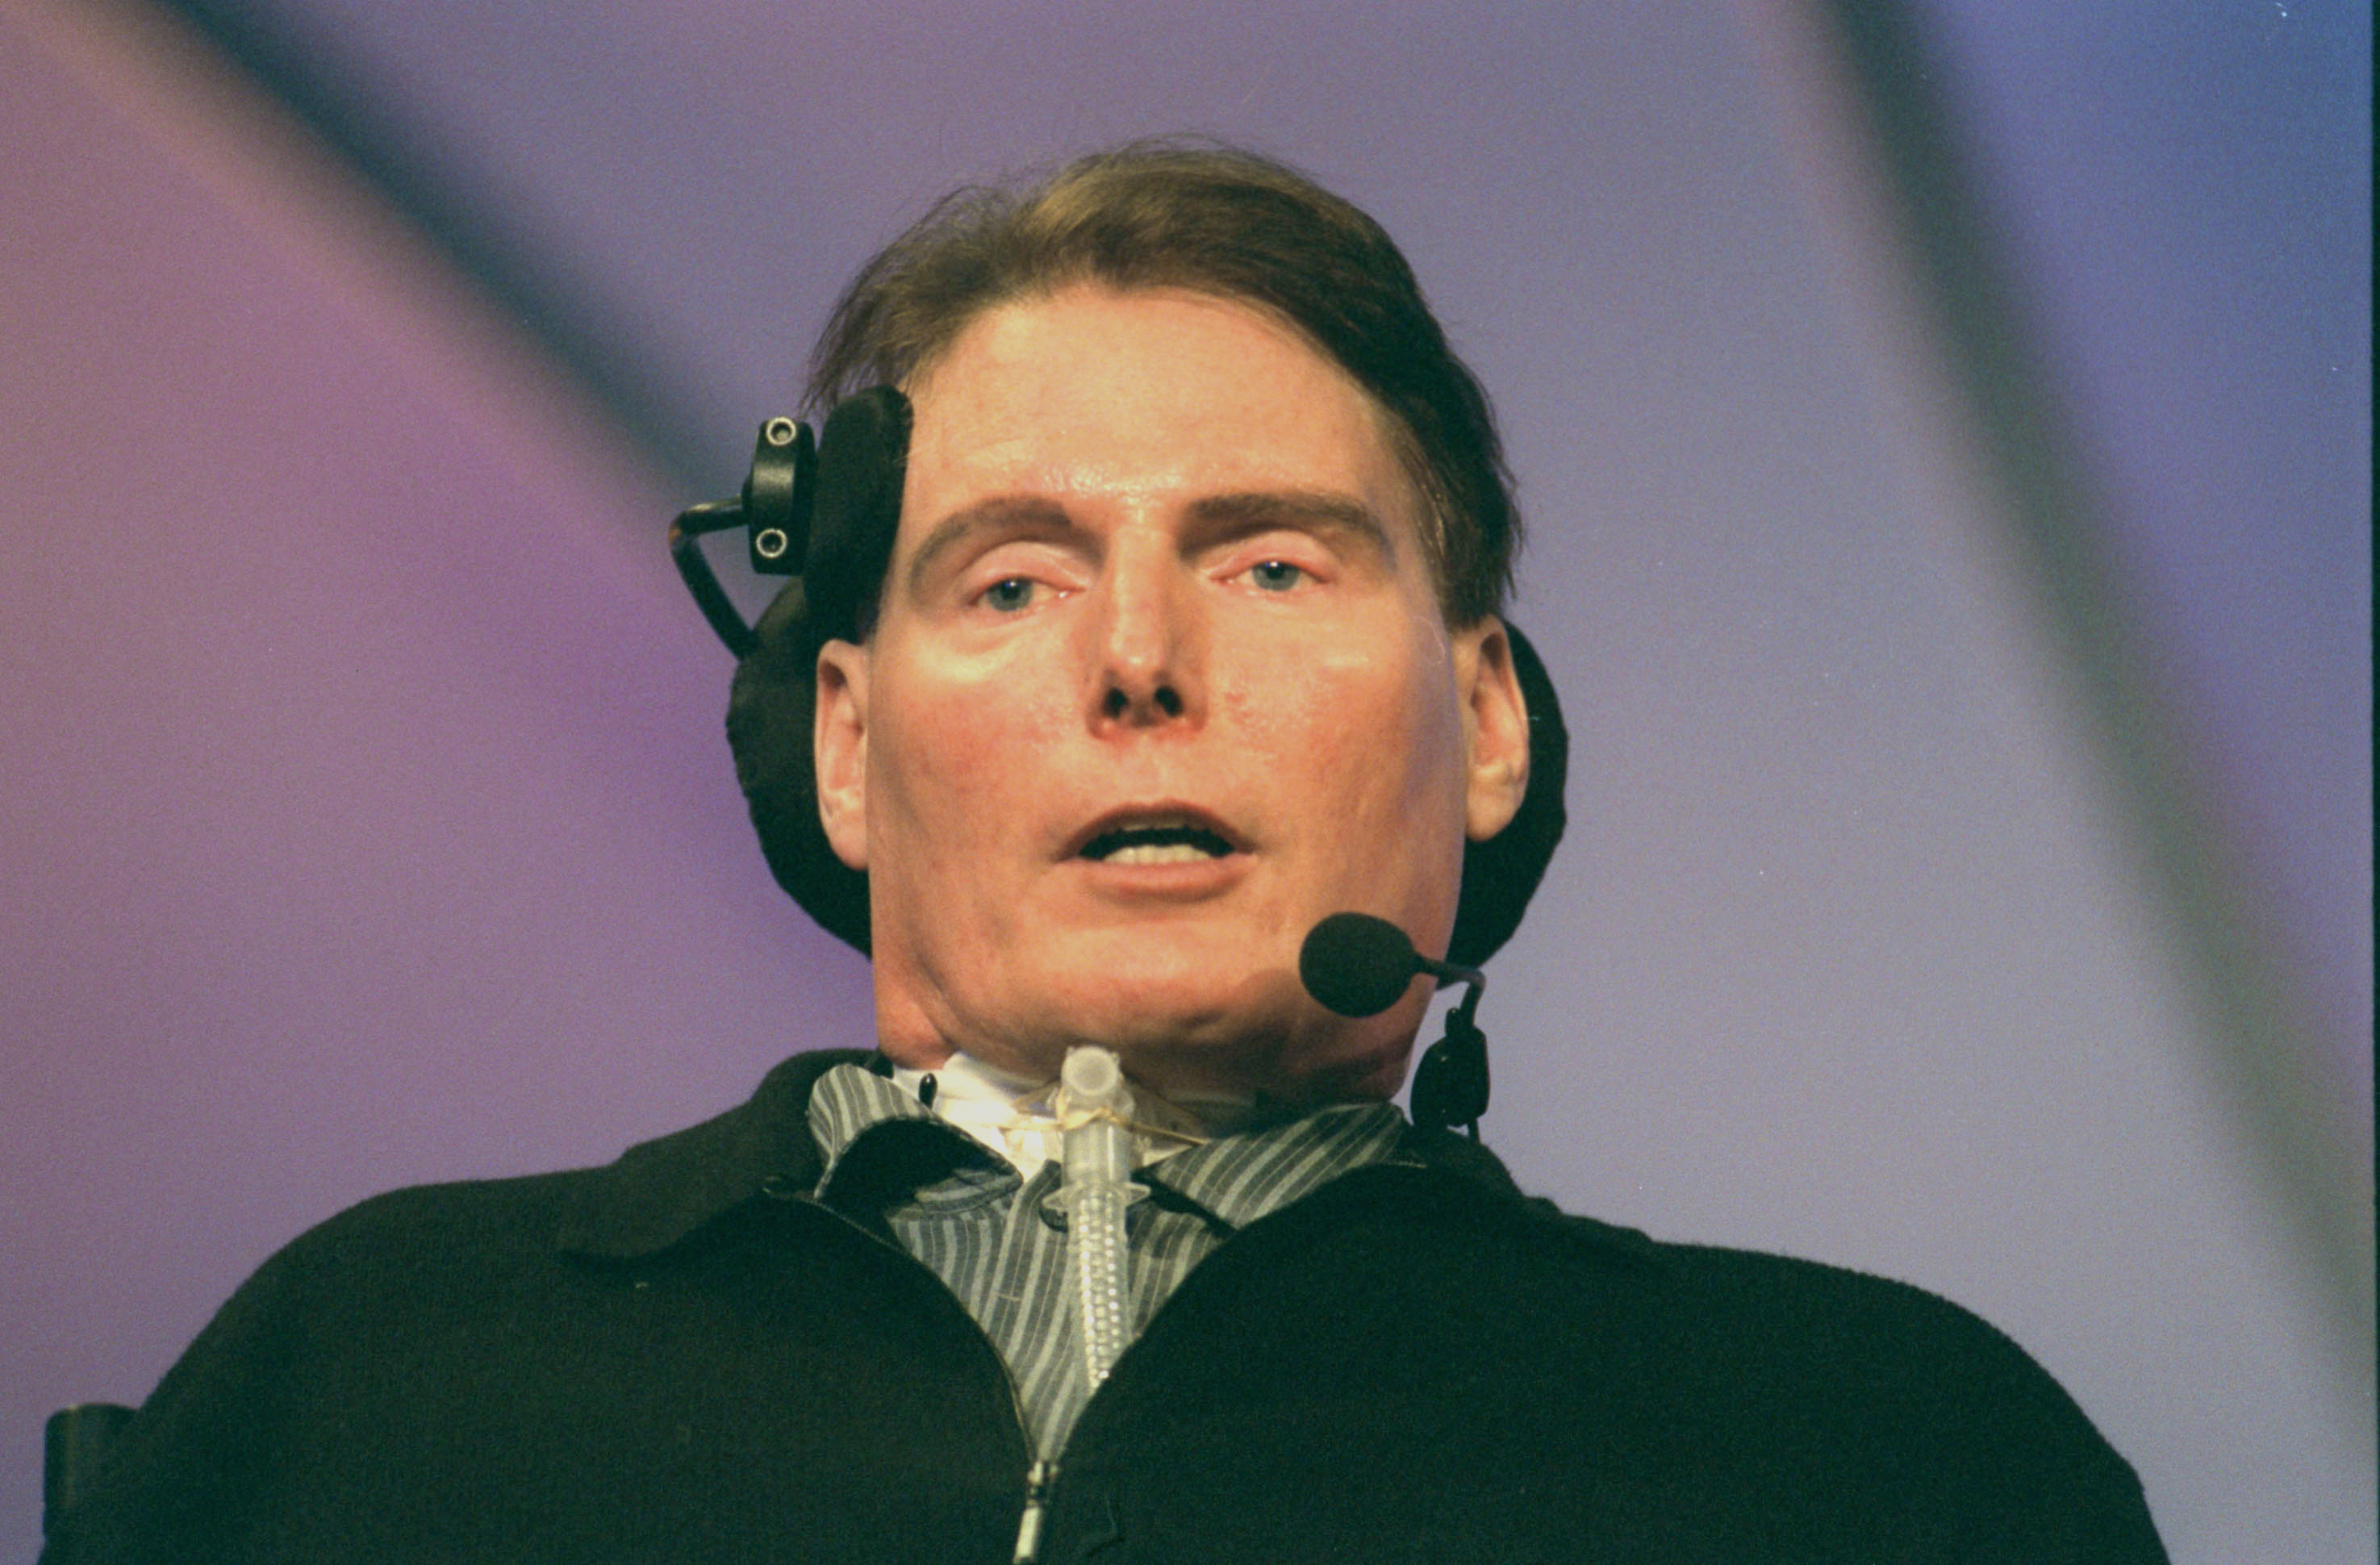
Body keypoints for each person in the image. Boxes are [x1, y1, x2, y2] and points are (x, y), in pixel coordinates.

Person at [44, 142, 2166, 1563]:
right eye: (1012, 580)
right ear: (843, 748)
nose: (1140, 659)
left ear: (1492, 719)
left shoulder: (1889, 1451)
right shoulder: (363, 1371)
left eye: (1267, 559)